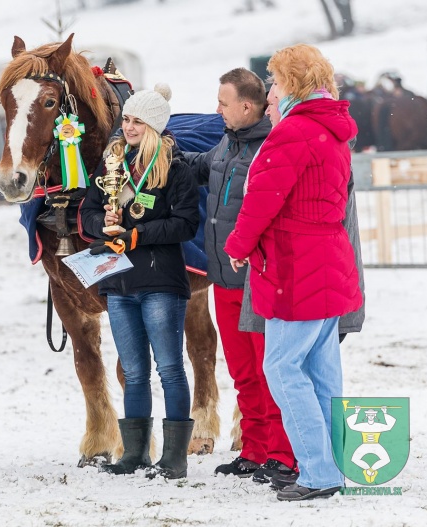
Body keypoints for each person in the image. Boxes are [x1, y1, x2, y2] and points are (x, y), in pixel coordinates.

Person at [225, 43, 363, 501]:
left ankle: (318, 472)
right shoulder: (332, 131)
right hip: (328, 262)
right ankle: (332, 465)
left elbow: (262, 200)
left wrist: (239, 245)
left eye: (276, 82)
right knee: (322, 372)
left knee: (282, 368)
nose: (270, 93)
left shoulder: (293, 132)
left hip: (296, 267)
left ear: (293, 84)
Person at [80, 83, 199, 479]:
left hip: (160, 282)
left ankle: (174, 458)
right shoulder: (111, 163)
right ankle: (134, 454)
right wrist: (103, 224)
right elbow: (88, 212)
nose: (128, 128)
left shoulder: (175, 167)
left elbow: (186, 223)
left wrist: (138, 235)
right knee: (133, 372)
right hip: (119, 284)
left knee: (169, 368)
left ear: (155, 126)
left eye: (138, 122)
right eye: (126, 120)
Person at [184, 68, 297, 482]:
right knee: (243, 372)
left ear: (247, 107)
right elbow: (199, 166)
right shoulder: (226, 143)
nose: (217, 109)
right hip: (224, 279)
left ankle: (281, 454)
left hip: (258, 281)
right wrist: (161, 151)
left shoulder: (271, 146)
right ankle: (254, 448)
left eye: (223, 103)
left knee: (269, 372)